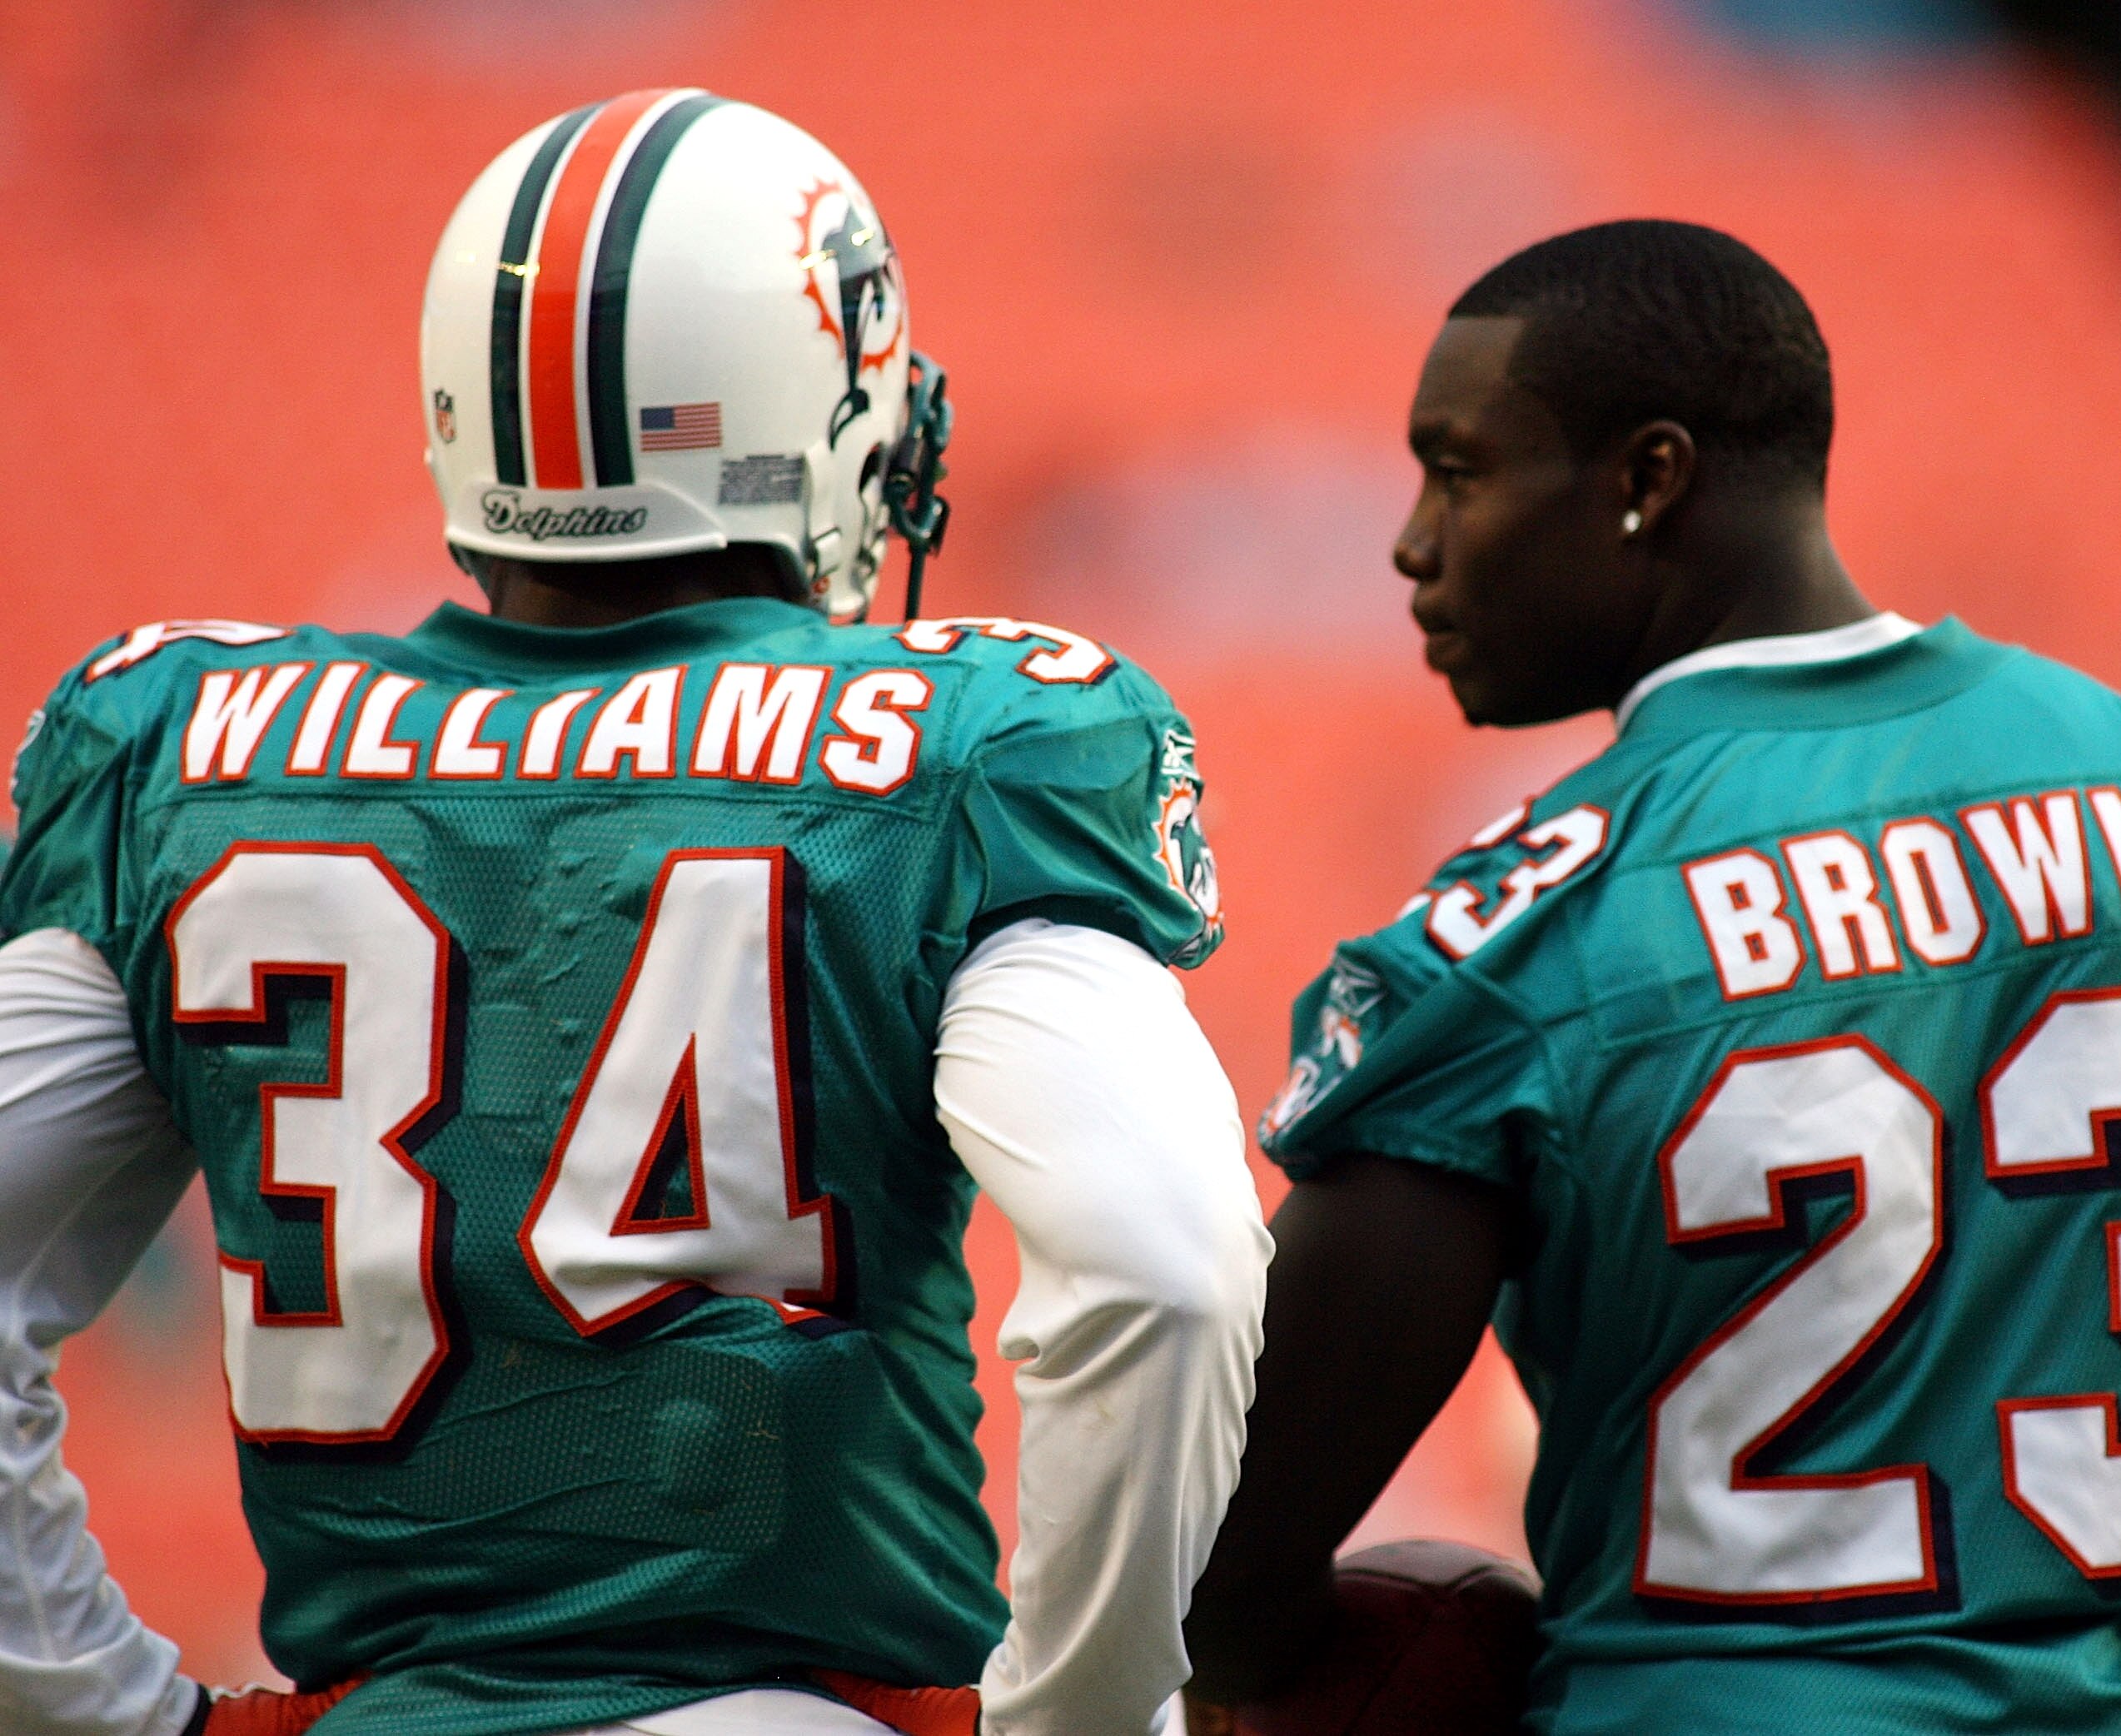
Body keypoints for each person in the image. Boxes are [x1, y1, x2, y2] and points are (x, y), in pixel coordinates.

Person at [0, 90, 1267, 1736]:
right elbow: (1163, 1270)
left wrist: (101, 1708)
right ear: (825, 421)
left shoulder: (189, 747)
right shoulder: (969, 749)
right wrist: (1071, 1719)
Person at [1184, 221, 2121, 1736]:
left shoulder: (1526, 936)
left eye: (1460, 470)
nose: (1415, 543)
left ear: (1649, 479)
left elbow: (1220, 1563)